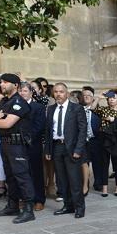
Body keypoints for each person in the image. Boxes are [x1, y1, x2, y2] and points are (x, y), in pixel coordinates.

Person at [0, 73, 35, 223]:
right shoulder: (4, 101)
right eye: (1, 82)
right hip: (4, 142)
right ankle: (13, 205)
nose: (1, 84)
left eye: (5, 82)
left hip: (17, 144)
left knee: (21, 176)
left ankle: (29, 209)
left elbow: (7, 123)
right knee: (9, 175)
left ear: (15, 85)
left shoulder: (19, 102)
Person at [44, 83, 88, 218]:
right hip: (57, 147)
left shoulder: (77, 108)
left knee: (74, 180)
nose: (58, 94)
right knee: (62, 181)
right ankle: (68, 206)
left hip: (72, 148)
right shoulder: (51, 109)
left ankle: (79, 208)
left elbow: (82, 130)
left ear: (67, 93)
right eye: (56, 92)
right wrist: (48, 150)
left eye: (61, 92)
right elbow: (48, 131)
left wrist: (78, 149)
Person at [19, 82, 46, 210]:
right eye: (20, 91)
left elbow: (39, 126)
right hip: (18, 146)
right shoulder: (15, 106)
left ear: (31, 92)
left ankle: (39, 199)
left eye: (24, 90)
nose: (22, 93)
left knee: (36, 172)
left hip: (33, 145)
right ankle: (26, 199)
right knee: (22, 173)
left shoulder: (38, 107)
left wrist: (26, 138)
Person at [94, 90, 117, 197]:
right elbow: (92, 108)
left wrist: (113, 119)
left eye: (114, 97)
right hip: (104, 139)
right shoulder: (104, 109)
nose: (111, 99)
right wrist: (99, 97)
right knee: (104, 164)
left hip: (116, 140)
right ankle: (105, 188)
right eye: (110, 97)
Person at [81, 86, 102, 193]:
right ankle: (85, 183)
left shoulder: (98, 109)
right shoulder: (79, 109)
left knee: (97, 162)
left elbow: (92, 108)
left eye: (89, 95)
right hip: (83, 141)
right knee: (84, 163)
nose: (86, 97)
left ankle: (98, 183)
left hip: (95, 139)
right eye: (84, 95)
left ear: (93, 97)